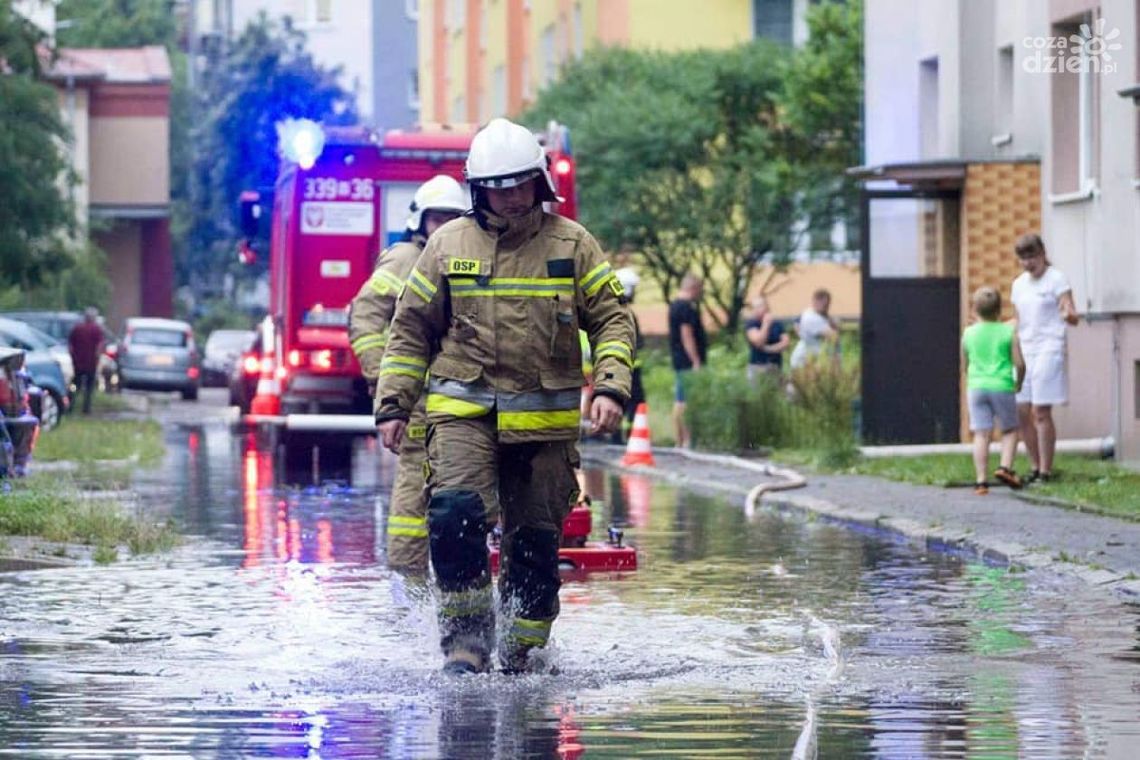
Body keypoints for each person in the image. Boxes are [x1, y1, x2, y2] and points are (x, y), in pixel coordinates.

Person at [374, 117, 634, 675]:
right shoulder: (446, 245)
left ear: (540, 183)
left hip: (545, 428)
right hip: (464, 416)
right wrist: (393, 404)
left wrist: (611, 386)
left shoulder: (571, 245)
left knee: (536, 544)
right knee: (453, 516)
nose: (513, 197)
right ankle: (465, 643)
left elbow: (613, 319)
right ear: (479, 188)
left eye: (522, 184)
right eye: (500, 186)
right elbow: (409, 330)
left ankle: (524, 649)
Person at [348, 175, 467, 573]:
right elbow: (365, 317)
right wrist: (388, 384)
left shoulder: (467, 257)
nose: (445, 228)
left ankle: (457, 588)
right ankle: (409, 594)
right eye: (438, 219)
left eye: (453, 219)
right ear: (420, 221)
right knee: (413, 499)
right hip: (420, 402)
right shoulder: (404, 260)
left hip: (463, 399)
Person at [1011, 233, 1079, 482]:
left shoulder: (1056, 279)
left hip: (1049, 347)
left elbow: (1071, 313)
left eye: (1032, 256)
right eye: (1023, 258)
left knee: (1040, 410)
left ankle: (1046, 471)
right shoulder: (1018, 284)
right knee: (1020, 409)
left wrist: (1068, 314)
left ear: (1042, 254)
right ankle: (1034, 464)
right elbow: (1018, 319)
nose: (1029, 263)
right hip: (1026, 349)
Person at [962, 286, 1026, 495]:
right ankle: (1005, 467)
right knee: (1010, 430)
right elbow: (1020, 363)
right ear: (999, 310)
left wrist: (971, 378)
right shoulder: (1008, 332)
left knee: (981, 433)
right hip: (1002, 386)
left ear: (974, 310)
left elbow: (964, 362)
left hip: (976, 387)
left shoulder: (969, 333)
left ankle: (981, 481)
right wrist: (1019, 383)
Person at [667, 274, 706, 449]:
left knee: (681, 399)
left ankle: (681, 440)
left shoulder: (674, 306)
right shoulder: (686, 308)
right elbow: (687, 335)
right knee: (684, 401)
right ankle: (684, 440)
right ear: (694, 288)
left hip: (678, 359)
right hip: (686, 361)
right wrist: (695, 360)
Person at [612, 266, 645, 443]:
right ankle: (630, 437)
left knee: (621, 401)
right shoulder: (626, 314)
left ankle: (618, 436)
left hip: (621, 366)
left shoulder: (617, 313)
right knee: (635, 403)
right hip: (631, 368)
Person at [789, 288, 839, 370]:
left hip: (812, 358)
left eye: (827, 305)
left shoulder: (810, 311)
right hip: (803, 361)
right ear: (815, 301)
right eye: (824, 304)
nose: (826, 307)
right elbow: (834, 337)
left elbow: (796, 323)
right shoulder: (812, 318)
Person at [743, 295, 789, 382]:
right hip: (758, 367)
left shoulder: (777, 323)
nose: (757, 309)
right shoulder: (751, 324)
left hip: (776, 366)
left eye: (760, 306)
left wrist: (768, 349)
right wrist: (766, 324)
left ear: (767, 307)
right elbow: (759, 342)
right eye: (754, 307)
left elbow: (786, 342)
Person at [68, 307, 105, 414]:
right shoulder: (96, 329)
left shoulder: (77, 328)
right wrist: (97, 357)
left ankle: (70, 405)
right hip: (91, 362)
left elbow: (70, 345)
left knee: (75, 385)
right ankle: (86, 408)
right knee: (89, 387)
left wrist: (73, 358)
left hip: (78, 363)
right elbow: (99, 346)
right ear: (94, 318)